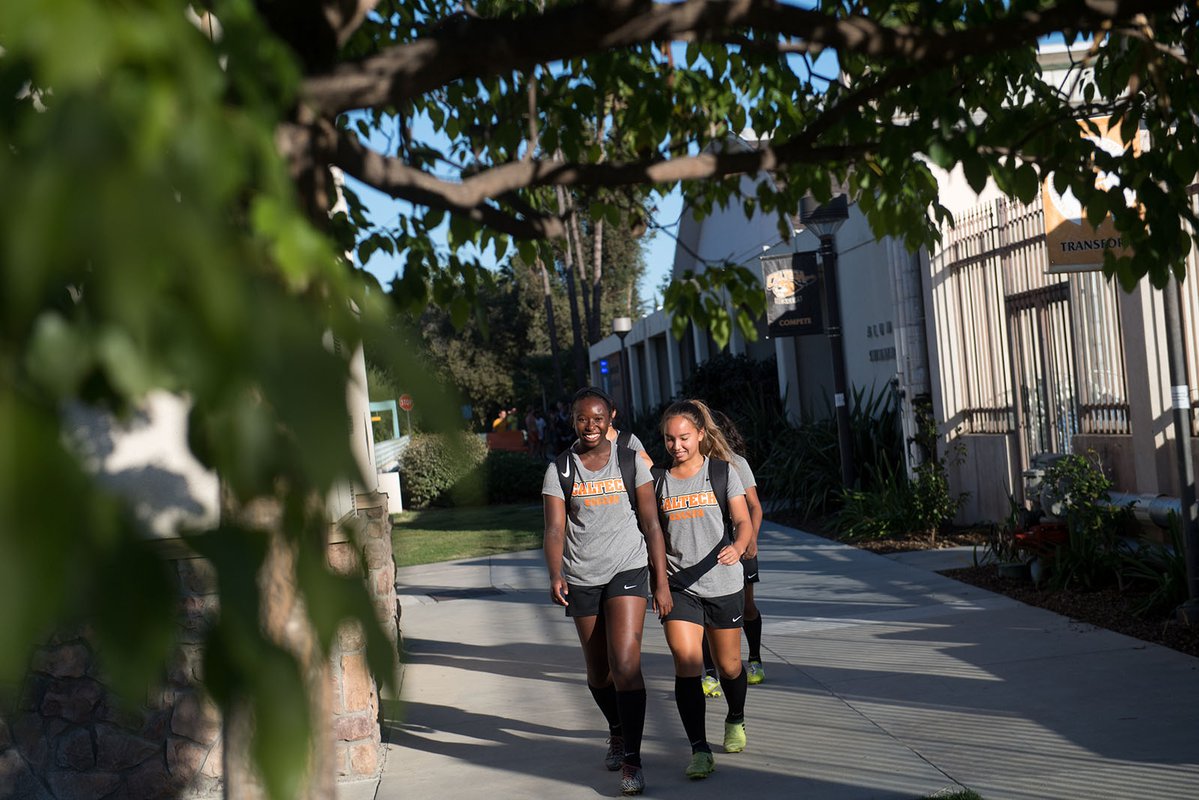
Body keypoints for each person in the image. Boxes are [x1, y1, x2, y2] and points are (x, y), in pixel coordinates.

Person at [542, 387, 672, 796]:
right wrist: (555, 573)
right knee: (599, 672)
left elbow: (652, 524)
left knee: (626, 665)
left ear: (611, 416)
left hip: (627, 568)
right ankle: (616, 729)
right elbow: (554, 529)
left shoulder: (632, 461)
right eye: (583, 418)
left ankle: (632, 760)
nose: (591, 426)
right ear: (573, 420)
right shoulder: (560, 469)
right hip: (582, 575)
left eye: (598, 418)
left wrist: (661, 580)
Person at [653, 399, 754, 780]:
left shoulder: (722, 472)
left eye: (683, 438)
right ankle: (699, 749)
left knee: (728, 666)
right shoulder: (659, 480)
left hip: (723, 583)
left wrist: (739, 546)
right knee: (687, 661)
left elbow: (742, 521)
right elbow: (654, 536)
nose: (676, 446)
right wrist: (659, 584)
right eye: (669, 439)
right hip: (680, 587)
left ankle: (736, 717)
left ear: (699, 435)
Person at [699, 411, 766, 695]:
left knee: (746, 606)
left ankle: (754, 659)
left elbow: (754, 506)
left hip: (741, 544)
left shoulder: (736, 464)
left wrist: (750, 539)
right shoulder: (685, 468)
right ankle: (710, 673)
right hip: (708, 553)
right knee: (702, 617)